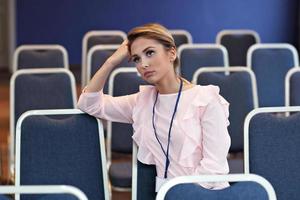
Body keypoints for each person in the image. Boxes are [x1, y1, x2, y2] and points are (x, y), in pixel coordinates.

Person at [77, 23, 231, 191]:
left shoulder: (206, 99)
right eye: (136, 59)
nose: (143, 64)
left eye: (150, 53)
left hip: (205, 194)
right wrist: (111, 61)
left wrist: (179, 195)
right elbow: (89, 104)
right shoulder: (142, 101)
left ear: (172, 53)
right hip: (167, 193)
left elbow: (213, 169)